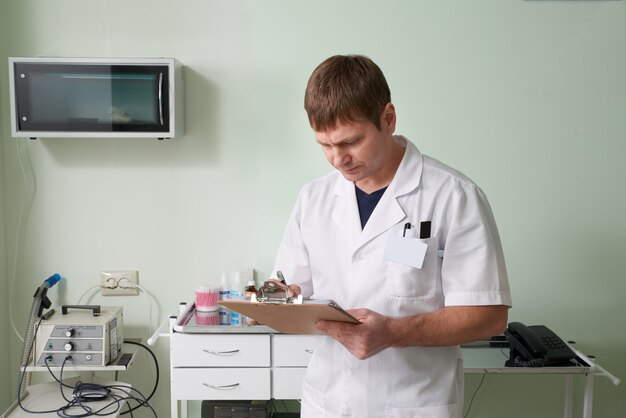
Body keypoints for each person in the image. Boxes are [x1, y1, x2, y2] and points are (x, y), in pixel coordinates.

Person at [271, 54, 512, 418]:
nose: (338, 159)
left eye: (350, 142)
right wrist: (278, 298)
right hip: (329, 402)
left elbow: (489, 315)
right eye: (325, 145)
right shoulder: (313, 199)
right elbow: (292, 287)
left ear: (387, 118)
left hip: (412, 405)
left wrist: (395, 332)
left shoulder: (453, 196)